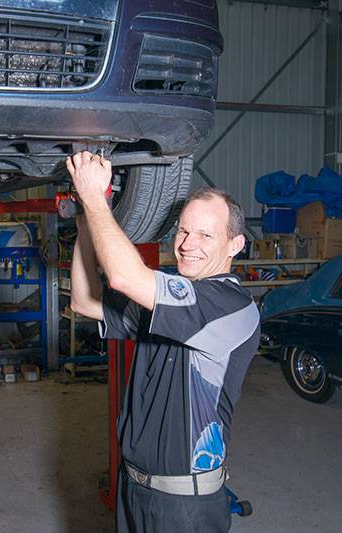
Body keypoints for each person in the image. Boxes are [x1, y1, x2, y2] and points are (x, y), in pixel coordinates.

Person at [66, 151, 260, 532]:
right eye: (184, 231)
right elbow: (83, 302)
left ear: (235, 245)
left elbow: (123, 276)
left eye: (206, 234)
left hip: (184, 505)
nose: (187, 244)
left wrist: (94, 198)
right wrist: (85, 225)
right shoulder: (172, 303)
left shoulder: (229, 306)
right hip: (135, 488)